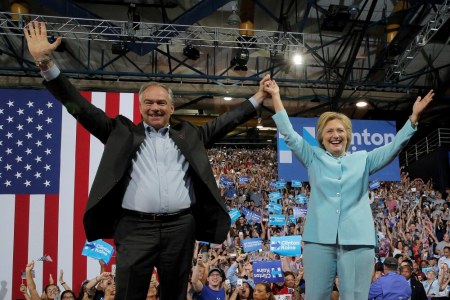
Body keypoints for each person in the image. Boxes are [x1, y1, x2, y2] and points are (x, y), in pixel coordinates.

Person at [23, 21, 270, 300]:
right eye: (149, 103)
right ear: (140, 107)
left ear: (172, 107)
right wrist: (46, 64)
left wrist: (259, 97)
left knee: (174, 295)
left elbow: (226, 121)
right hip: (134, 229)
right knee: (129, 295)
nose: (155, 107)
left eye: (161, 103)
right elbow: (79, 108)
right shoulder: (120, 133)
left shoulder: (189, 135)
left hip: (180, 229)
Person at [264, 78, 434, 300]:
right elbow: (288, 133)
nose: (335, 135)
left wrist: (413, 119)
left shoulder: (363, 159)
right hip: (318, 240)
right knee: (315, 296)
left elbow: (394, 147)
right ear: (322, 138)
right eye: (329, 131)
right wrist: (276, 96)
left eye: (340, 130)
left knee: (354, 296)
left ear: (348, 135)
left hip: (357, 240)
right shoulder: (312, 156)